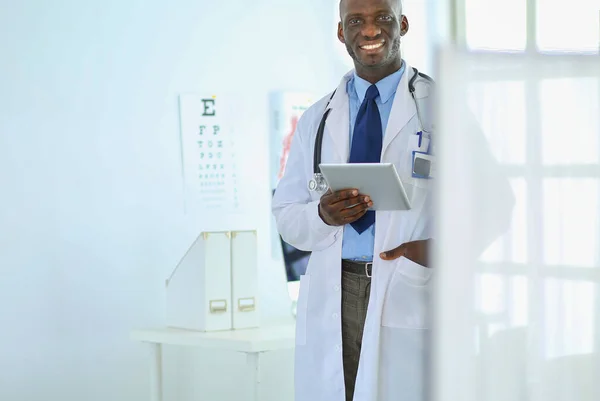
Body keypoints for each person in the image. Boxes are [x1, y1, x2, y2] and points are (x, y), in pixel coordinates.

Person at [272, 0, 436, 400]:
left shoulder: (440, 108)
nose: (370, 31)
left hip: (407, 281)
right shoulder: (317, 117)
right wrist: (324, 215)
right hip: (336, 287)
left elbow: (493, 203)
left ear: (404, 24)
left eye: (383, 18)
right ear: (341, 32)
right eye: (355, 21)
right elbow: (287, 215)